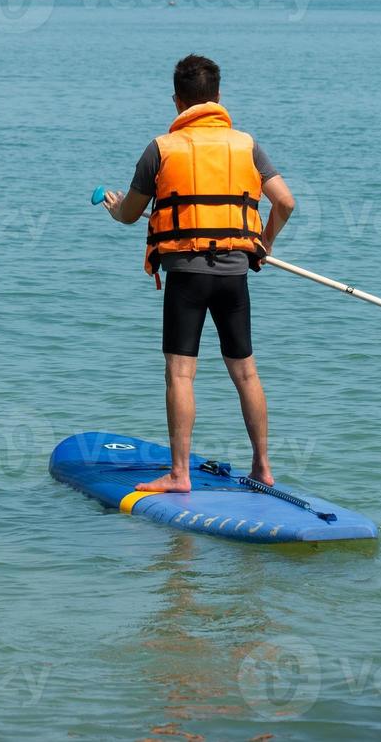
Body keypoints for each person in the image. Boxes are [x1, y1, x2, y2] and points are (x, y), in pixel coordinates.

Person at [103, 55, 296, 493]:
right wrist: (264, 244)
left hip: (186, 274)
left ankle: (179, 474)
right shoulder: (245, 144)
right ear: (218, 98)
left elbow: (132, 214)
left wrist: (115, 209)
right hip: (234, 274)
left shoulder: (161, 149)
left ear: (177, 102)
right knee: (245, 371)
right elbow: (285, 202)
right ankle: (263, 468)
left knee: (181, 373)